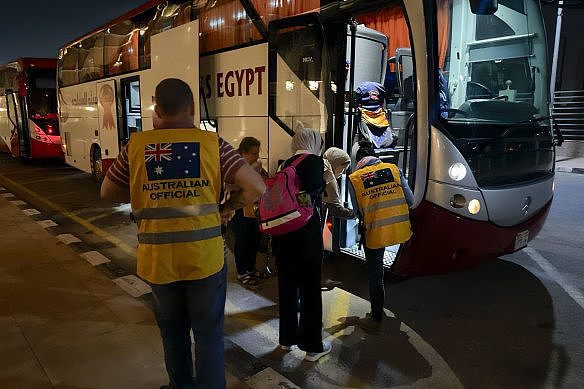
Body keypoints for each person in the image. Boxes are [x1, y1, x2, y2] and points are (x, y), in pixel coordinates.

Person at [100, 78, 265, 389]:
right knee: (208, 335)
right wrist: (226, 207)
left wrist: (145, 194)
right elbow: (256, 187)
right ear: (192, 107)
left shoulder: (135, 147)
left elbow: (107, 191)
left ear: (156, 108)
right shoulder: (213, 145)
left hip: (159, 261)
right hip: (204, 260)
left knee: (173, 333)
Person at [273, 127, 331, 362]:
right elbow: (312, 193)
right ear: (314, 142)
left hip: (281, 234)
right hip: (304, 234)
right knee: (309, 291)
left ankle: (286, 340)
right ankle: (312, 347)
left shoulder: (285, 163)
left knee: (287, 288)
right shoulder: (314, 161)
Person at [348, 143, 413, 334]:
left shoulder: (355, 179)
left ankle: (376, 318)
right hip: (399, 229)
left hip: (375, 232)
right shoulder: (394, 170)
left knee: (376, 276)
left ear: (358, 161)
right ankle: (380, 313)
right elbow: (410, 200)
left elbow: (355, 212)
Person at [231, 136, 268, 286]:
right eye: (253, 153)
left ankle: (251, 269)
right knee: (243, 241)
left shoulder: (256, 165)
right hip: (239, 210)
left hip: (255, 210)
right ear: (243, 152)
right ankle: (241, 272)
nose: (257, 156)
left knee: (254, 240)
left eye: (257, 153)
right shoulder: (235, 166)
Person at [322, 147, 355, 219]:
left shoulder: (320, 167)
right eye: (343, 168)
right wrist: (355, 213)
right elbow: (336, 209)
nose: (343, 172)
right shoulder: (327, 173)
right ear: (336, 162)